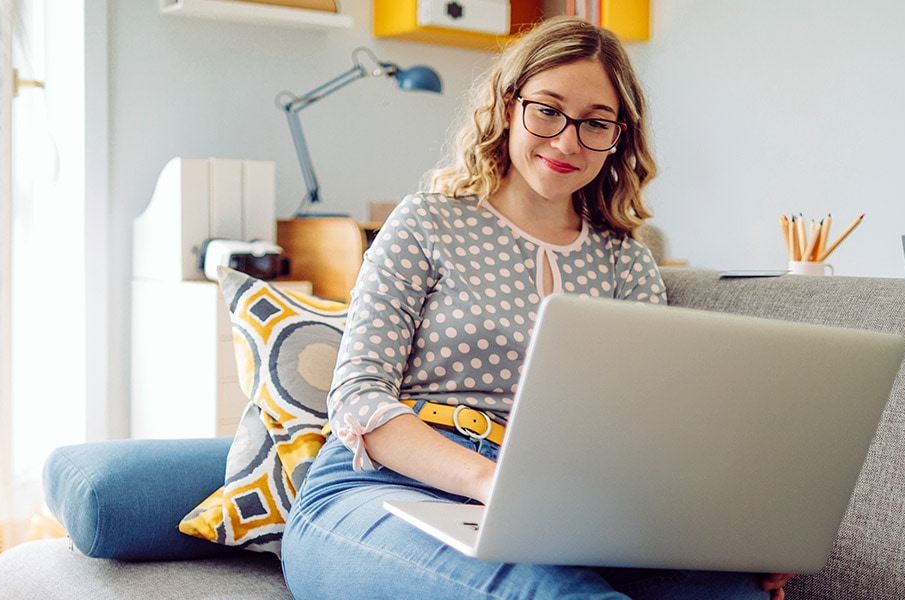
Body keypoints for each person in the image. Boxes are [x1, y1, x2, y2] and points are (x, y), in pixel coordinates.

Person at [281, 16, 794, 599]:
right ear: (508, 105)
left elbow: (640, 433)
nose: (567, 141)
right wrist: (490, 482)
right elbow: (359, 398)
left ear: (618, 135)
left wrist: (730, 536)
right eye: (547, 110)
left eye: (595, 123)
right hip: (385, 490)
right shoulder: (427, 222)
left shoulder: (625, 263)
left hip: (556, 512)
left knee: (735, 594)